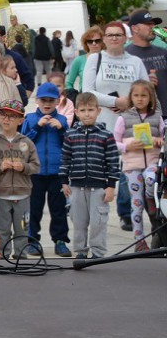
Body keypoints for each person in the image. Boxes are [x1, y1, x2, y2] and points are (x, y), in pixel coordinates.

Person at [61, 93, 121, 260]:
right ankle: (80, 250)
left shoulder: (106, 135)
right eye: (83, 110)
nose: (87, 114)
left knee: (98, 222)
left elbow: (113, 162)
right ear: (76, 112)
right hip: (76, 186)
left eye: (90, 110)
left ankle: (98, 252)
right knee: (78, 221)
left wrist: (111, 186)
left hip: (99, 187)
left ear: (98, 110)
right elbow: (65, 159)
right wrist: (64, 181)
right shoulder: (70, 135)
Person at [111, 79, 164, 251]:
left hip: (152, 163)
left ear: (151, 98)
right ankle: (139, 240)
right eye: (136, 95)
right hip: (132, 167)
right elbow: (113, 143)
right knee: (136, 203)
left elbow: (164, 140)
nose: (140, 99)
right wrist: (127, 146)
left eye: (144, 95)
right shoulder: (124, 118)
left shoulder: (157, 117)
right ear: (131, 97)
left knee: (151, 180)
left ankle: (150, 197)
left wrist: (159, 141)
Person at [22, 81, 71, 257]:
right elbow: (24, 142)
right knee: (33, 208)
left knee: (58, 209)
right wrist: (38, 126)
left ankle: (60, 241)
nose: (47, 104)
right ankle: (31, 240)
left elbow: (69, 144)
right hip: (35, 173)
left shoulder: (63, 120)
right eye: (43, 100)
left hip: (57, 173)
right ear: (37, 100)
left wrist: (61, 129)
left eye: (51, 100)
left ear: (58, 101)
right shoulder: (30, 119)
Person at [0, 99, 38, 259]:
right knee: (2, 229)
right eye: (3, 115)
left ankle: (21, 257)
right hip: (1, 195)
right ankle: (1, 257)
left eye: (12, 116)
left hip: (23, 195)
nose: (7, 119)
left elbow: (36, 166)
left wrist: (24, 167)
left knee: (22, 228)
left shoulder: (27, 143)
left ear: (21, 120)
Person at [0, 24, 34, 99]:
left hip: (11, 104)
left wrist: (24, 99)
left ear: (3, 38)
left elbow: (29, 79)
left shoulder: (15, 57)